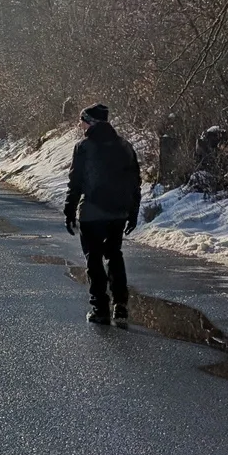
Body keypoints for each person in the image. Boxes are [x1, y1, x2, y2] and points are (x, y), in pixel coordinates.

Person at [64, 103, 141, 327]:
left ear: (91, 122)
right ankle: (121, 306)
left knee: (94, 258)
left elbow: (76, 182)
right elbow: (135, 181)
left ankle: (100, 309)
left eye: (83, 121)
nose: (80, 125)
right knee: (114, 255)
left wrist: (69, 211)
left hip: (92, 212)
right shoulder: (125, 146)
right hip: (119, 212)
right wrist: (133, 212)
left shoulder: (84, 147)